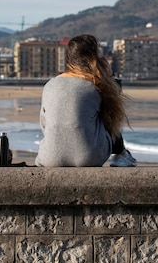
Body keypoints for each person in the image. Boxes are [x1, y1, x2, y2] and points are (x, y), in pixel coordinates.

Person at [35, 34, 137, 167]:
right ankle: (122, 155)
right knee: (110, 108)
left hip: (49, 159)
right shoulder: (95, 85)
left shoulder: (49, 85)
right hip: (89, 158)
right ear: (93, 57)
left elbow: (44, 124)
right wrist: (110, 78)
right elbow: (112, 120)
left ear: (68, 58)